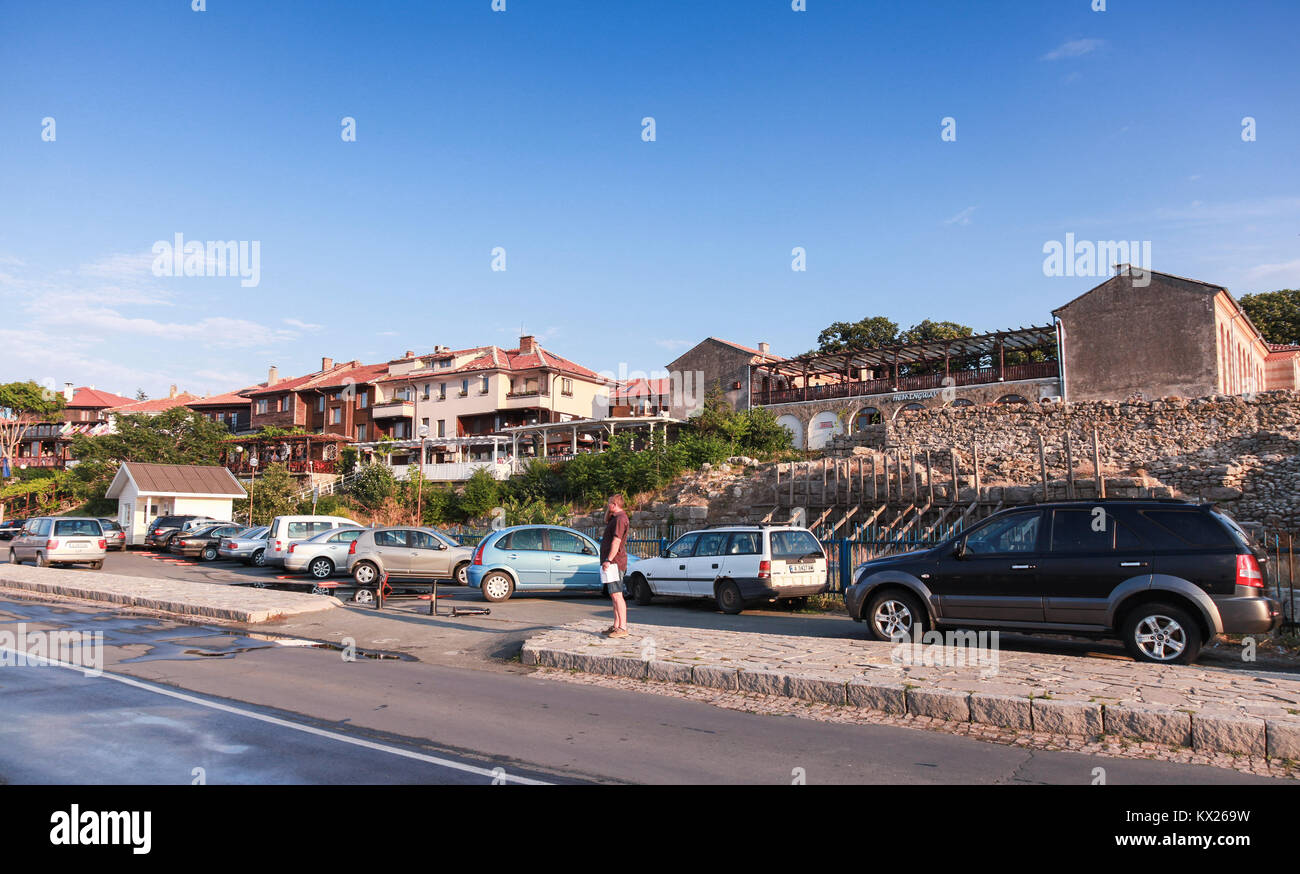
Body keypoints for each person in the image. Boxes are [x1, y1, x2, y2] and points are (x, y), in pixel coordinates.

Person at [599, 493, 631, 638]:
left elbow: (616, 542)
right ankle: (616, 625)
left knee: (617, 595)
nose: (607, 505)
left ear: (615, 504)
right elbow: (606, 519)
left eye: (609, 503)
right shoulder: (615, 517)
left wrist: (608, 559)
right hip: (612, 562)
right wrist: (609, 508)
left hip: (615, 563)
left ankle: (622, 627)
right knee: (613, 594)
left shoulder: (620, 519)